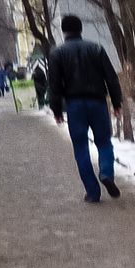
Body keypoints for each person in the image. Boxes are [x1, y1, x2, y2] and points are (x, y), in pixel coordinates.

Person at [47, 14, 124, 203]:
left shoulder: (57, 54)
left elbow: (54, 86)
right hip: (97, 102)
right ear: (80, 29)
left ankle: (92, 192)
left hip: (74, 106)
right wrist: (116, 102)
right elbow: (111, 78)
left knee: (81, 148)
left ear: (64, 31)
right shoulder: (96, 48)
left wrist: (57, 111)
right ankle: (106, 172)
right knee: (104, 142)